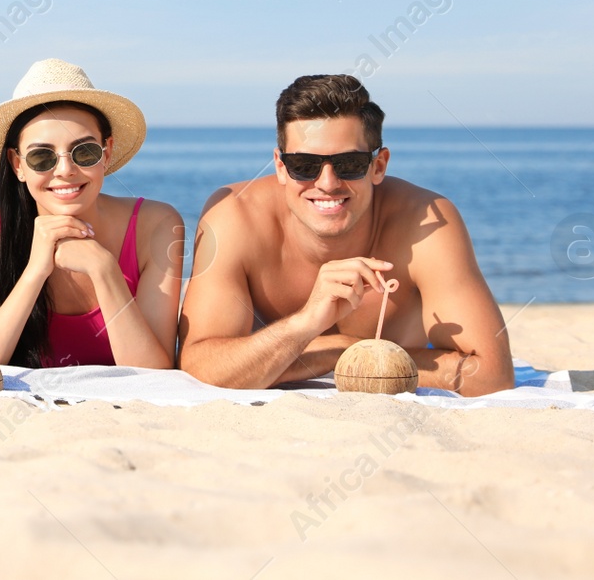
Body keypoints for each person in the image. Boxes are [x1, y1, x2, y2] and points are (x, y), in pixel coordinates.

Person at [179, 74, 515, 396]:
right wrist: (311, 329)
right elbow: (200, 365)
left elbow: (491, 375)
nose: (327, 183)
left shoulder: (426, 221)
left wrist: (350, 355)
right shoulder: (235, 217)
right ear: (281, 168)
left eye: (350, 163)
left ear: (378, 166)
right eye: (305, 165)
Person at [0, 58, 184, 368]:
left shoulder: (156, 225)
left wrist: (105, 270)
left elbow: (154, 375)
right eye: (42, 156)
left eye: (84, 152)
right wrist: (35, 272)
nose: (65, 170)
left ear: (107, 153)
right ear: (17, 164)